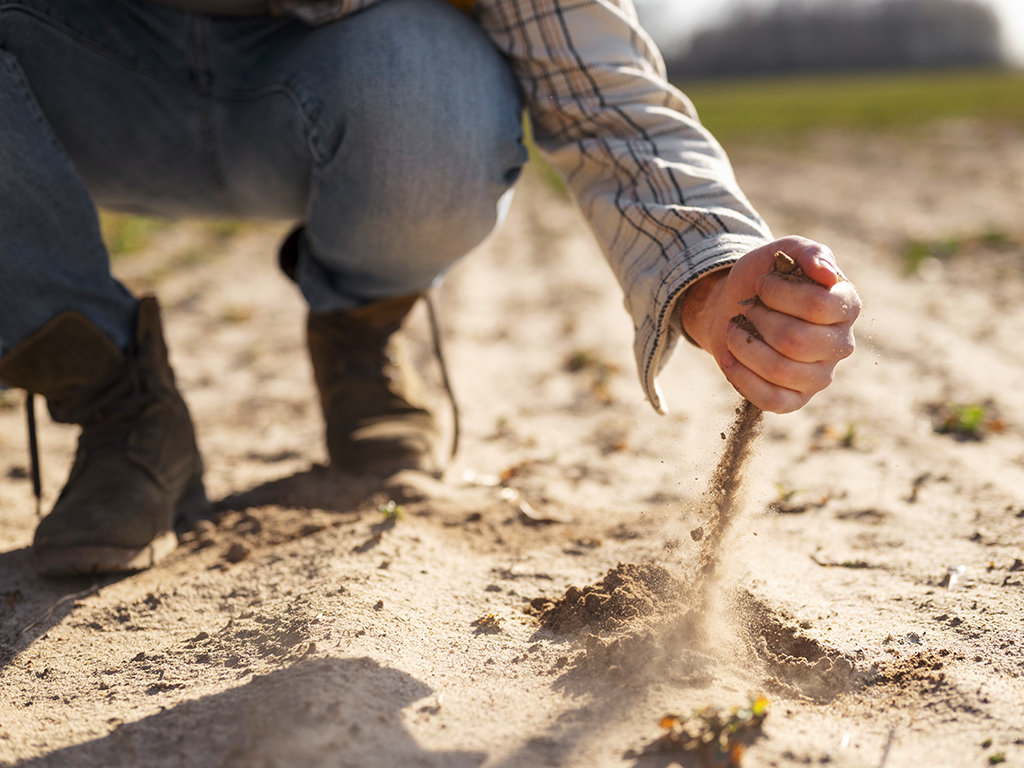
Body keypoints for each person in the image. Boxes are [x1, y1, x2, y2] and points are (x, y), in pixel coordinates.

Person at [0, 0, 861, 577]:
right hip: (74, 80)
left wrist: (707, 270)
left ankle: (360, 327)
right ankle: (116, 399)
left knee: (432, 74)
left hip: (332, 88)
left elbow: (599, 90)